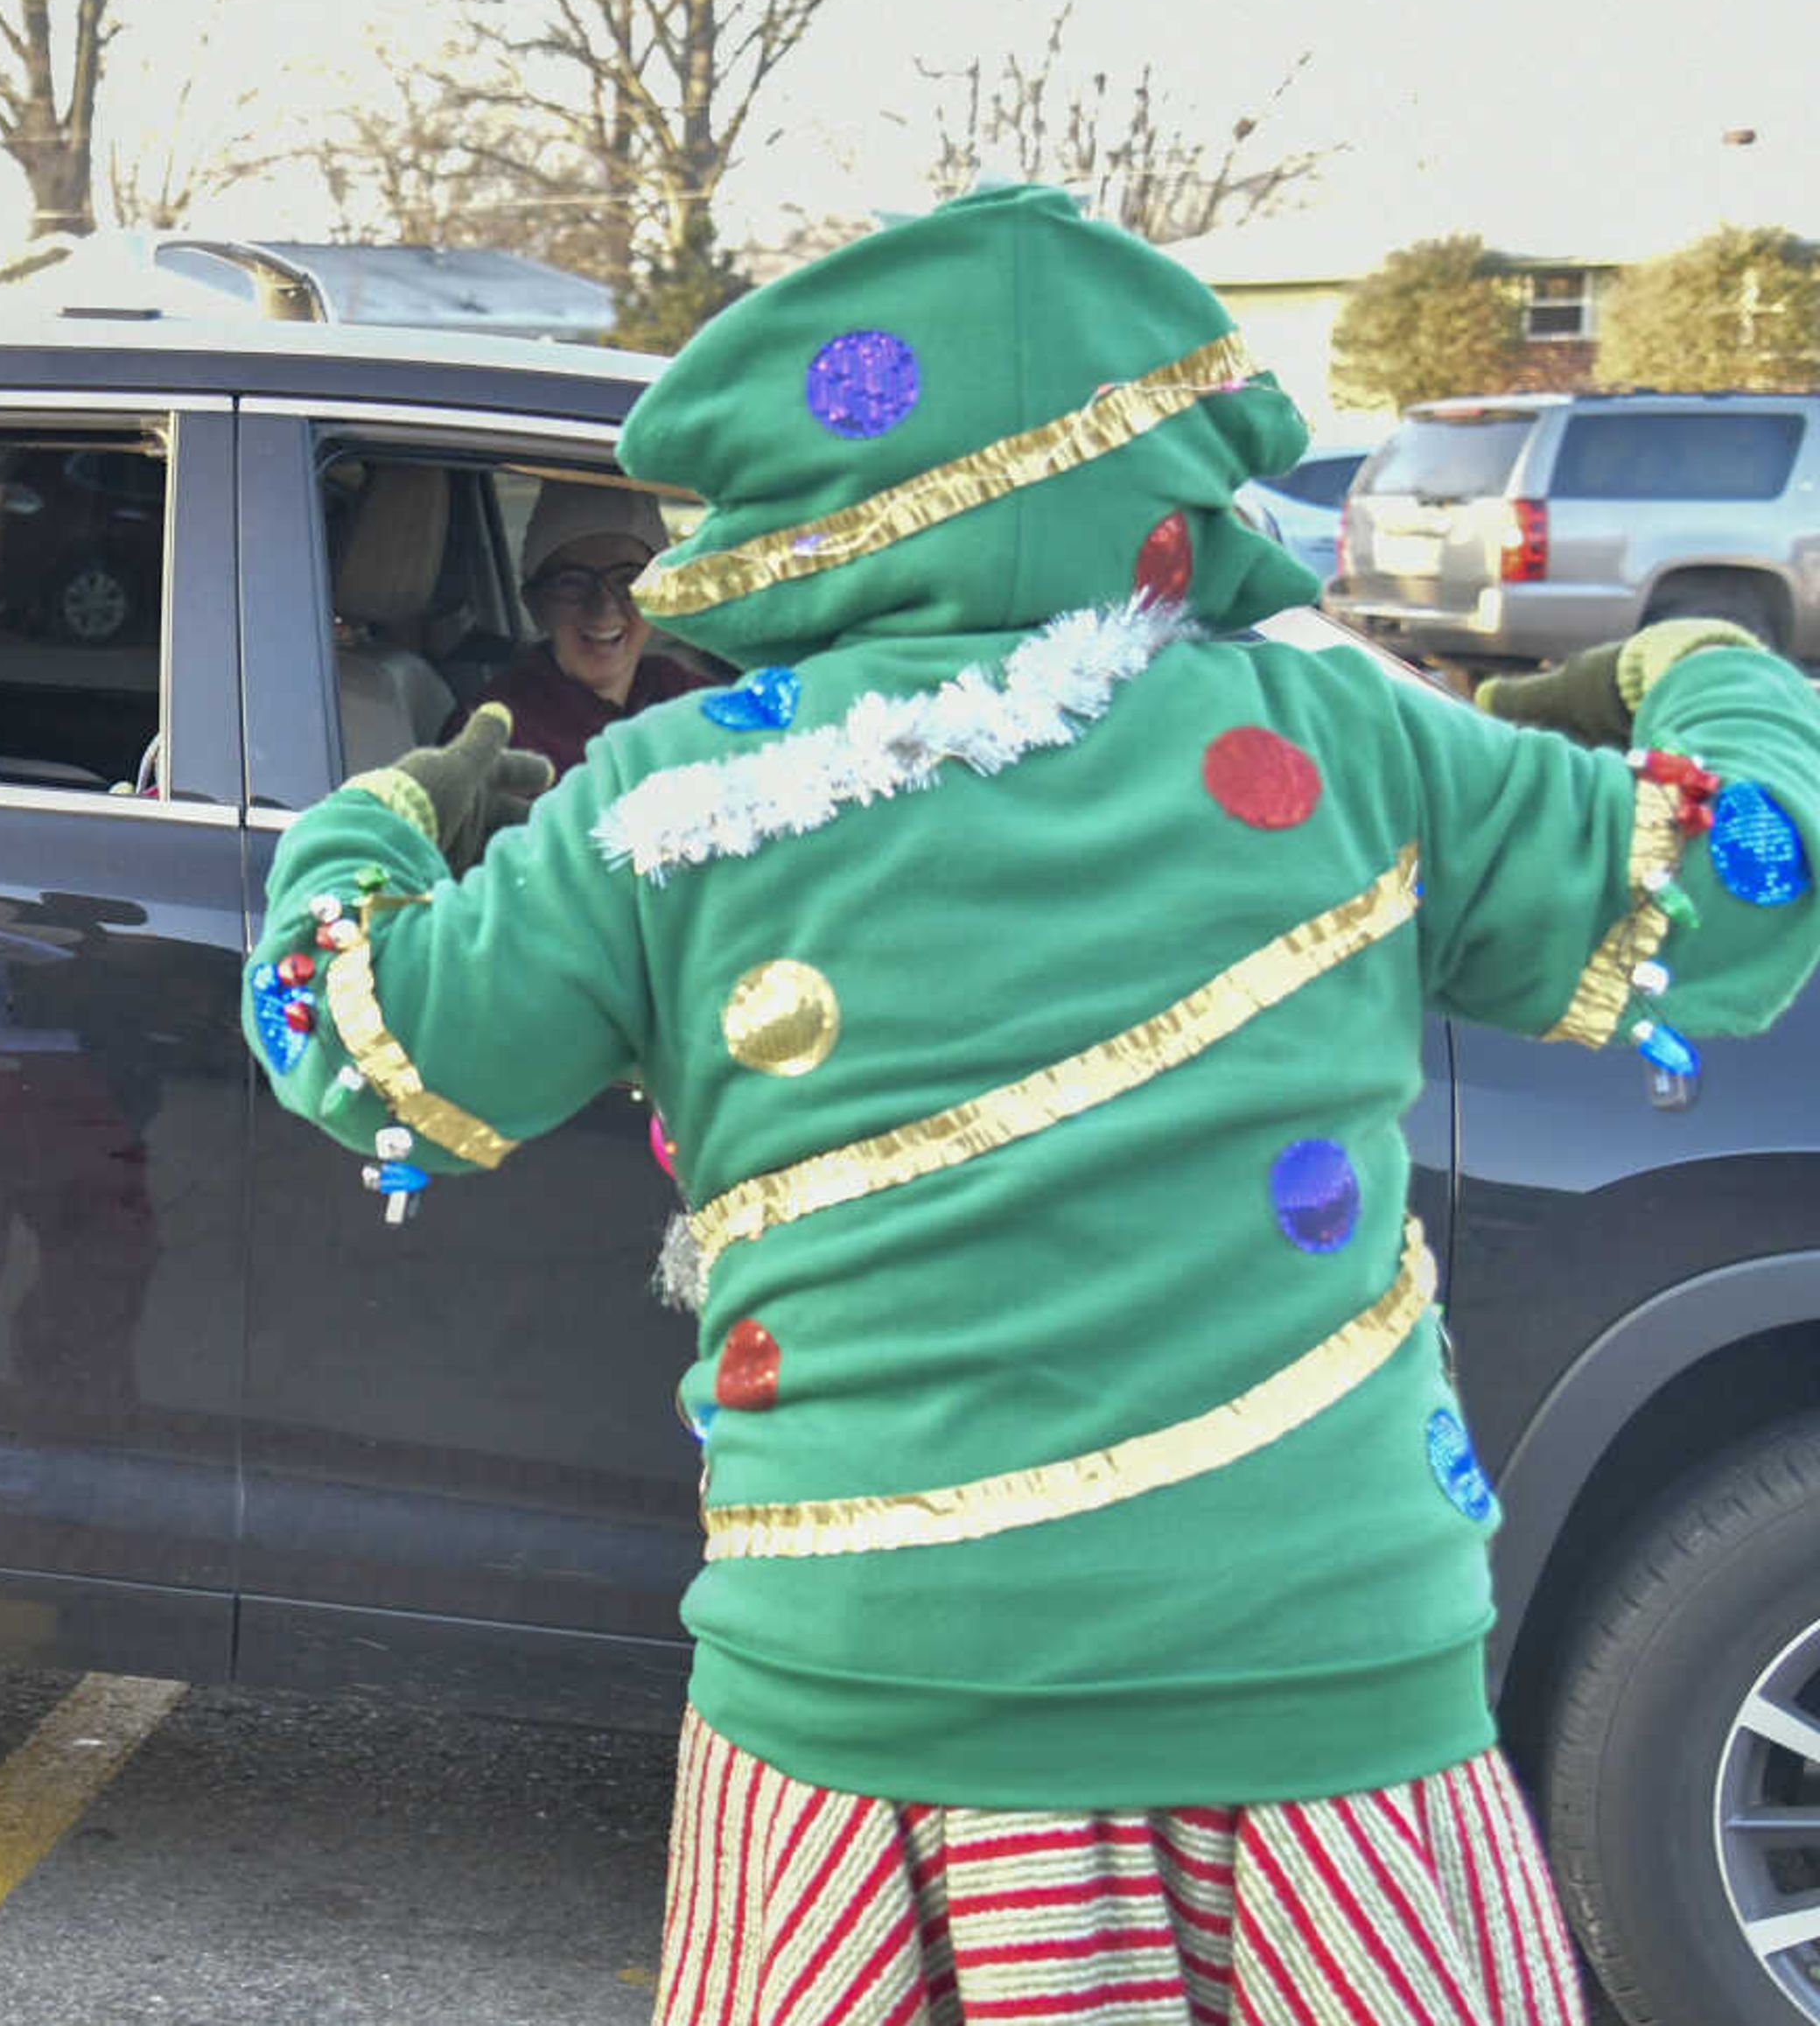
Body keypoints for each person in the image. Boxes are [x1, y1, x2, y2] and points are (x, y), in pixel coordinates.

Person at [236, 183, 1820, 2023]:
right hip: (1327, 1714)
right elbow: (1752, 877)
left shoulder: (666, 803)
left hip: (865, 1727)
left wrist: (392, 811)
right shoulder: (1356, 744)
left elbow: (352, 1033)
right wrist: (1696, 663)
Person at [450, 478, 717, 768]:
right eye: (572, 583)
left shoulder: (684, 695)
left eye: (627, 579)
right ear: (535, 604)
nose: (604, 607)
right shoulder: (493, 732)